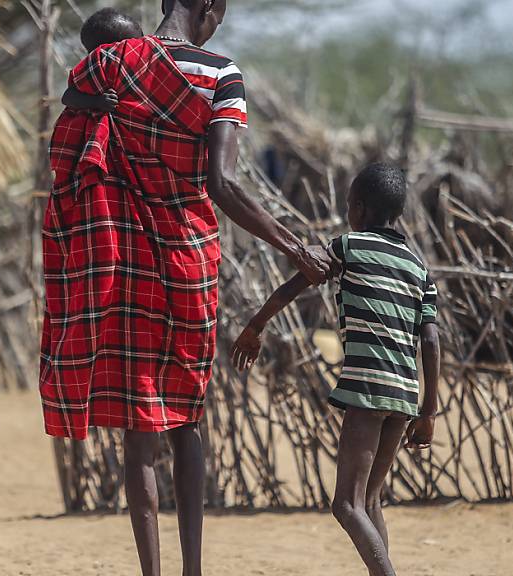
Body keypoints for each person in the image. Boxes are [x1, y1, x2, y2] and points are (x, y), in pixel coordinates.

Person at [40, 1, 333, 575]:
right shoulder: (219, 73)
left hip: (124, 264)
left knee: (139, 429)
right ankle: (192, 571)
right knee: (186, 420)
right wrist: (295, 247)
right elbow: (221, 183)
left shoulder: (106, 64)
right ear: (209, 6)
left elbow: (72, 141)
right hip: (186, 262)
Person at [231, 163, 441, 576]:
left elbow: (295, 284)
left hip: (367, 388)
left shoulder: (348, 246)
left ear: (358, 208)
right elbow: (431, 342)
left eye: (348, 204)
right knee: (371, 501)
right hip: (403, 394)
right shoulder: (419, 270)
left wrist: (255, 326)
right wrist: (428, 412)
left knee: (346, 504)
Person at [60, 8, 143, 112]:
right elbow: (68, 97)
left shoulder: (140, 70)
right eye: (132, 47)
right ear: (103, 55)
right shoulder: (91, 72)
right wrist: (97, 101)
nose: (141, 49)